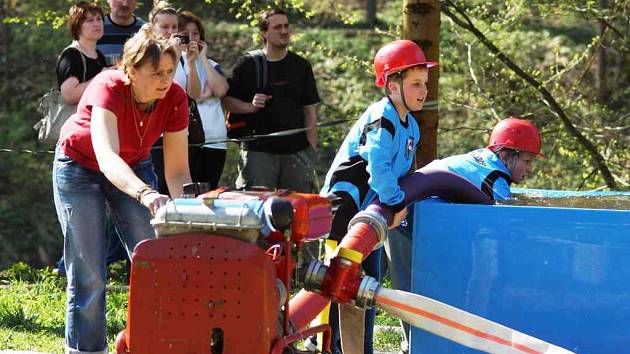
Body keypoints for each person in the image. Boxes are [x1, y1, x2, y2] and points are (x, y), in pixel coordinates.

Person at [52, 25, 191, 353]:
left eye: (170, 71)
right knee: (89, 273)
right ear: (130, 70)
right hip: (80, 167)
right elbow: (107, 157)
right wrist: (146, 194)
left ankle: (160, 344)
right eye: (155, 72)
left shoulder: (175, 98)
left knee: (157, 261)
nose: (165, 80)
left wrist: (187, 217)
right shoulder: (108, 86)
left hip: (135, 168)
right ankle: (86, 350)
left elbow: (177, 171)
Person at [384, 117, 545, 354]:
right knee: (423, 293)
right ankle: (418, 347)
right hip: (411, 221)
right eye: (527, 161)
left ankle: (415, 345)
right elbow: (506, 221)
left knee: (413, 290)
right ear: (506, 154)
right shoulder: (495, 178)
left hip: (402, 214)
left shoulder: (481, 158)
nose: (530, 169)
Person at [318, 39, 437, 354]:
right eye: (415, 84)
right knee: (335, 281)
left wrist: (398, 204)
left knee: (367, 283)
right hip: (344, 211)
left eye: (425, 83)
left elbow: (400, 175)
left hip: (372, 216)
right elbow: (379, 170)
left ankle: (361, 348)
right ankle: (326, 346)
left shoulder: (411, 126)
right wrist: (397, 202)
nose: (424, 91)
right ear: (393, 85)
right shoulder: (381, 117)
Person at [222, 8, 320, 192]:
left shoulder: (301, 66)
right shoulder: (248, 64)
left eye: (286, 26)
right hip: (258, 152)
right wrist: (249, 107)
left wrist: (311, 151)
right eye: (277, 27)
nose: (284, 31)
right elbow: (226, 101)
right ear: (264, 33)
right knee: (256, 209)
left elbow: (310, 111)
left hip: (297, 151)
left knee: (299, 210)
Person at [54, 1, 110, 277]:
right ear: (77, 25)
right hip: (71, 146)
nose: (96, 24)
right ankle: (65, 270)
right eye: (89, 20)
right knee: (77, 220)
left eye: (99, 19)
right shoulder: (71, 56)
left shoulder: (97, 55)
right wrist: (104, 78)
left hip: (96, 143)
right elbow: (69, 93)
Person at [149, 1, 202, 195]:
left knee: (179, 187)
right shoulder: (147, 55)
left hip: (178, 132)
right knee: (157, 189)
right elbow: (160, 88)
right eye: (164, 27)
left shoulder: (180, 54)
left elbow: (194, 94)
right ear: (152, 28)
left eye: (174, 27)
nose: (170, 32)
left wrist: (191, 62)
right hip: (153, 135)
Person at [175, 10, 229, 189]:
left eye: (195, 33)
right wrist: (204, 93)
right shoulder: (174, 63)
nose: (191, 38)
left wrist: (203, 57)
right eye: (185, 34)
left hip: (215, 139)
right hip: (187, 139)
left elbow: (221, 89)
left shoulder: (211, 64)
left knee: (210, 191)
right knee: (188, 191)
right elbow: (188, 95)